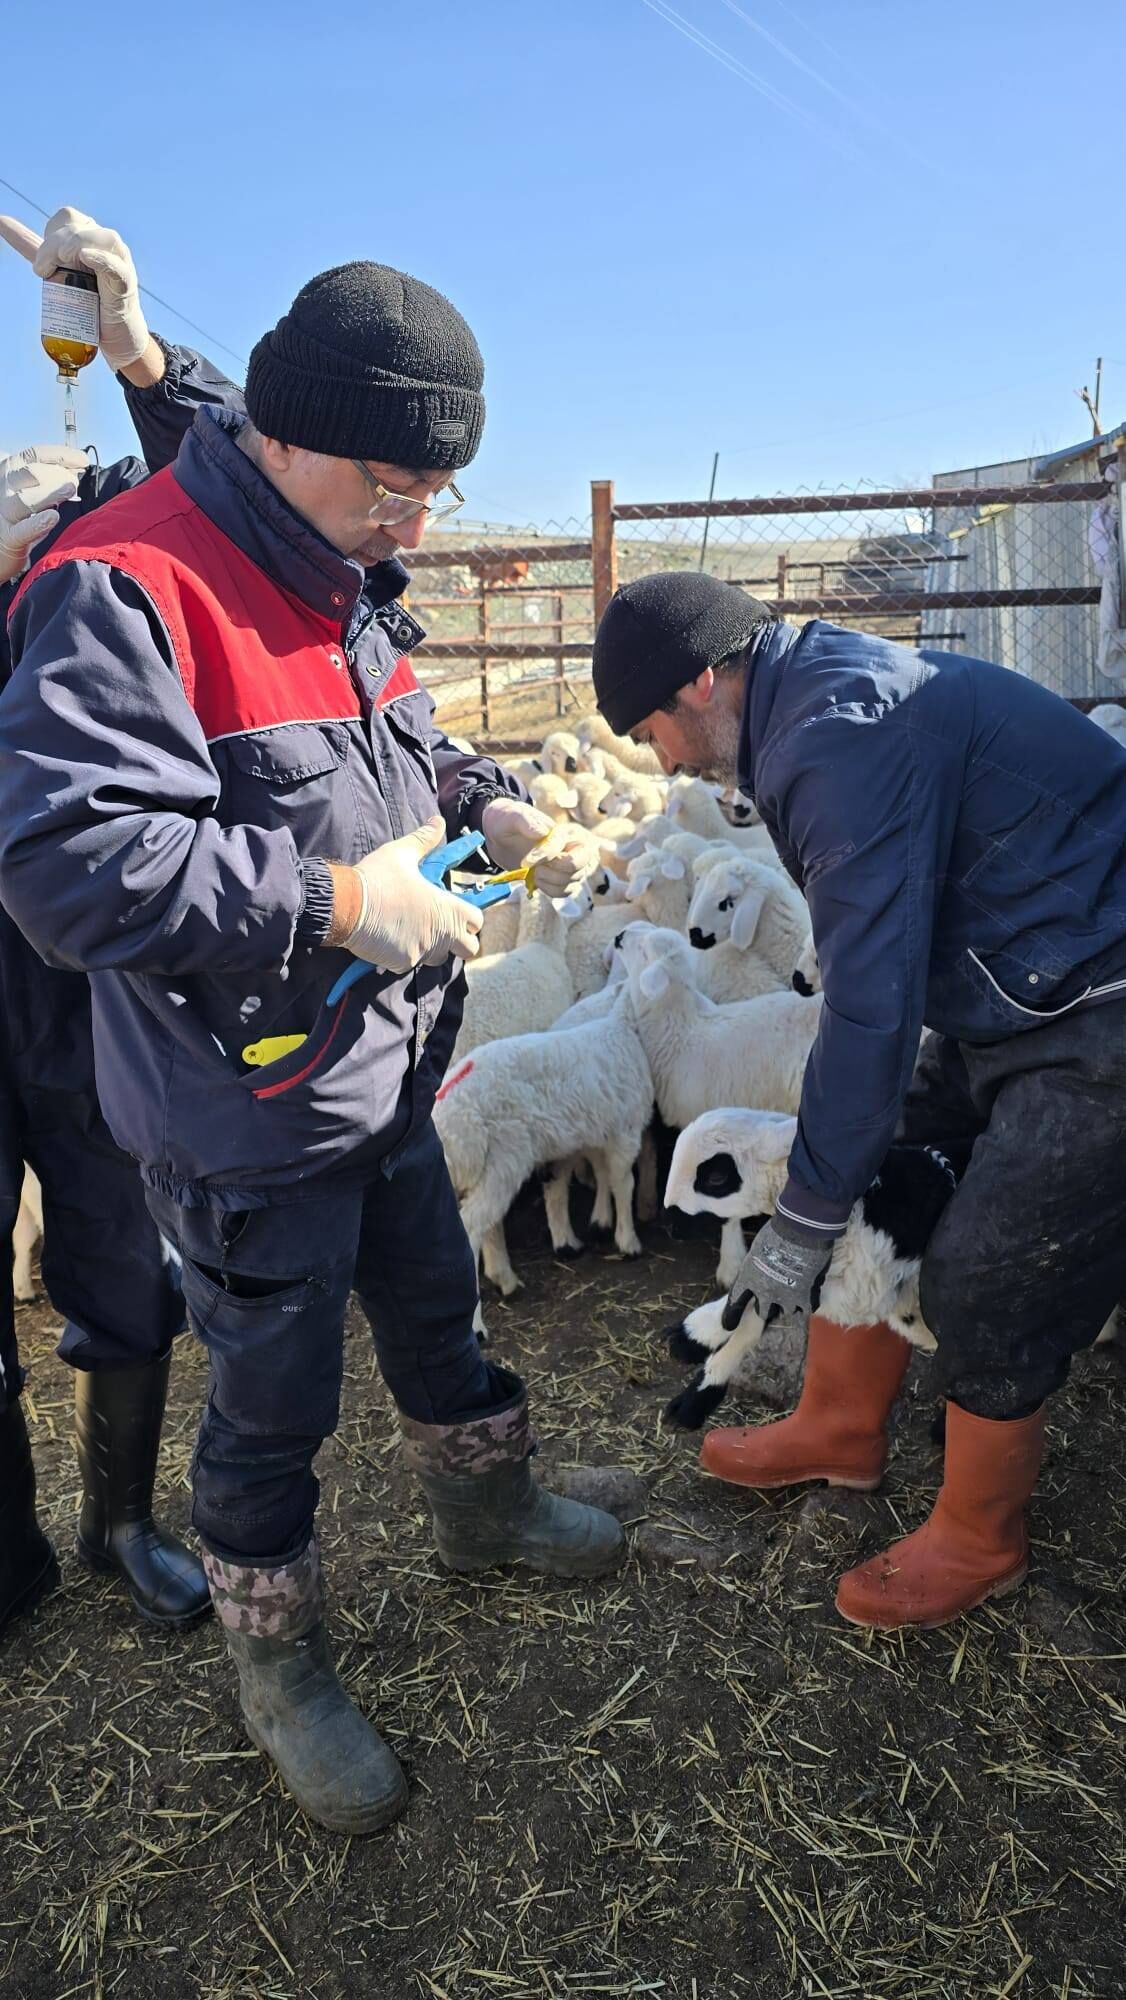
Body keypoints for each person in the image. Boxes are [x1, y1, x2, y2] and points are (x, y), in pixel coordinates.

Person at [0, 212, 618, 1836]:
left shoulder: (336, 575)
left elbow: (398, 750)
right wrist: (336, 902)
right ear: (287, 438)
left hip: (390, 1072)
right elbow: (68, 868)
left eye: (435, 493)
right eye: (395, 486)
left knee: (438, 1316)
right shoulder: (125, 583)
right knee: (271, 1408)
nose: (413, 521)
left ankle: (488, 1514)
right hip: (248, 1115)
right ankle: (278, 1663)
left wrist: (488, 803)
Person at [591, 570, 1126, 1631]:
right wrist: (829, 1190)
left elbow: (868, 1009)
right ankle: (839, 1421)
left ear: (700, 682)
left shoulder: (834, 739)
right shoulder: (805, 706)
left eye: (652, 730)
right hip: (1024, 978)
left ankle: (980, 1535)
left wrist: (800, 1219)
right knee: (883, 1174)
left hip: (1100, 992)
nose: (664, 762)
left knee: (988, 1272)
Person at [0, 203, 243, 1646]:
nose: (46, 536)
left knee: (120, 1261)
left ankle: (120, 1524)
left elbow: (223, 483)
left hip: (84, 990)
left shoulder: (92, 598)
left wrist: (137, 347)